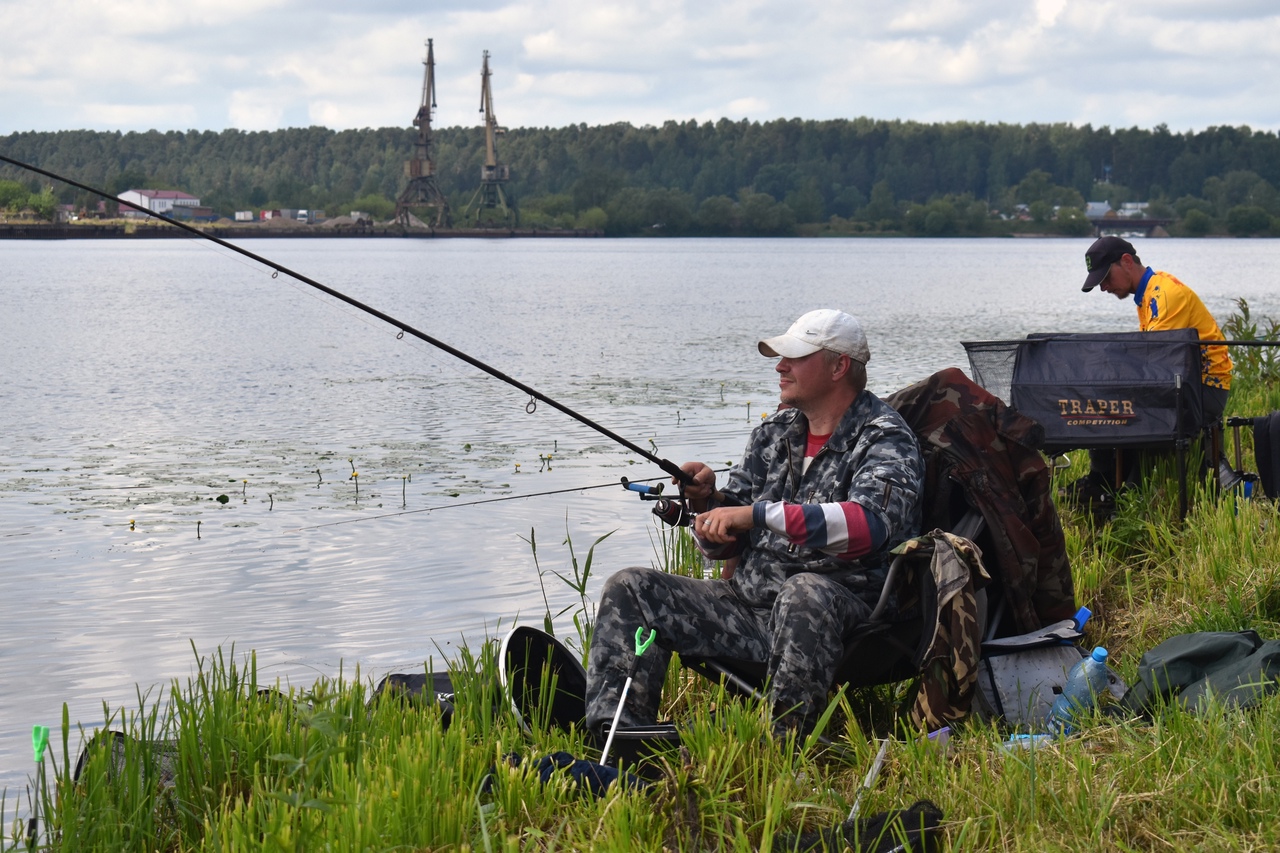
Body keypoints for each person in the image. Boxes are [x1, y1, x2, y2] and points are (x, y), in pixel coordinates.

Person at [584, 309, 925, 739]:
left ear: (838, 366)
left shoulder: (885, 437)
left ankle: (781, 746)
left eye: (795, 357)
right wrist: (711, 506)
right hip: (746, 606)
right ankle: (618, 738)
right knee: (630, 586)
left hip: (845, 619)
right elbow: (724, 545)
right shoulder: (773, 433)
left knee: (803, 592)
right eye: (781, 357)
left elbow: (869, 527)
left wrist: (756, 514)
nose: (780, 366)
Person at [1075, 236, 1233, 499]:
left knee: (1121, 405)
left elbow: (1158, 366)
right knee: (1109, 400)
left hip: (1205, 390)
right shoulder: (1148, 294)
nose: (1103, 287)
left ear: (1126, 262)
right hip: (1188, 383)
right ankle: (1107, 483)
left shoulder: (1164, 296)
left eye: (1105, 277)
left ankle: (1126, 490)